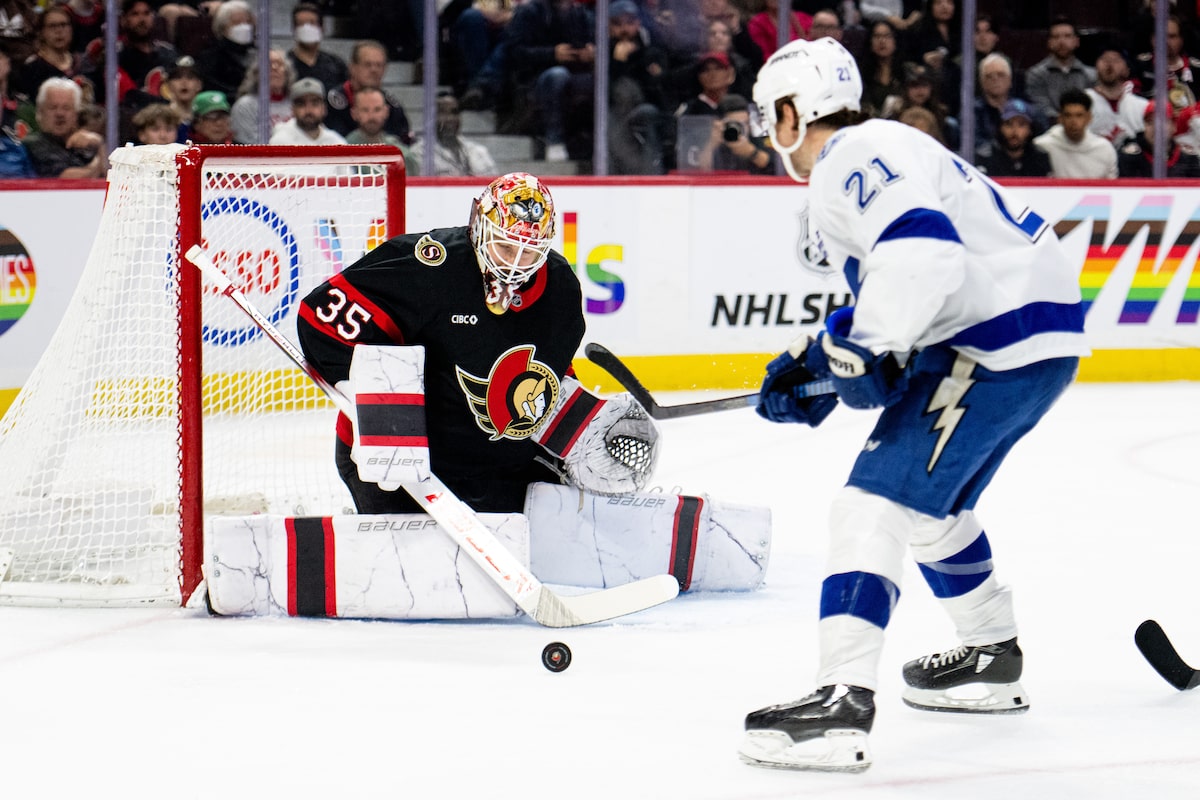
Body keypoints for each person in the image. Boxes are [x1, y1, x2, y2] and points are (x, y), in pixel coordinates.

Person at [740, 36, 1088, 772]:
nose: (772, 133)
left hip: (991, 344)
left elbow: (923, 252)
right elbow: (908, 287)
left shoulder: (848, 156)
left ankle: (841, 703)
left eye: (774, 115)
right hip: (1026, 339)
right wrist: (821, 363)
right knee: (929, 511)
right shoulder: (885, 149)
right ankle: (991, 656)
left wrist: (860, 349)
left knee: (869, 506)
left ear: (796, 112)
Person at [295, 172, 659, 515]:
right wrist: (373, 411)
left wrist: (582, 432)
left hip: (495, 463)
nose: (515, 264)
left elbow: (551, 371)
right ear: (480, 226)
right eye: (504, 247)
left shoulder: (560, 287)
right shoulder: (432, 265)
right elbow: (320, 316)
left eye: (528, 251)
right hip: (406, 465)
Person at [503, 0, 596, 162]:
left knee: (596, 82)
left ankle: (591, 144)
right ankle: (554, 141)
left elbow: (592, 42)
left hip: (576, 73)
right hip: (535, 79)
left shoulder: (581, 14)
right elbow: (515, 52)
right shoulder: (530, 12)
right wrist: (551, 54)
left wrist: (590, 52)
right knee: (557, 75)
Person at [606, 0, 668, 175]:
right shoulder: (604, 54)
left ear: (638, 23)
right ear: (609, 26)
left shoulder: (652, 50)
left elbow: (659, 89)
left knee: (647, 112)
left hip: (647, 109)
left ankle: (651, 175)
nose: (624, 29)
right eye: (618, 23)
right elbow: (604, 93)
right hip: (616, 113)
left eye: (629, 22)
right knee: (608, 119)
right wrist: (618, 62)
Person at [324, 40, 412, 145]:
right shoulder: (333, 103)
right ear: (352, 67)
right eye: (368, 65)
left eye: (379, 65)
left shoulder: (392, 107)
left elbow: (402, 144)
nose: (374, 70)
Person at [22, 77, 106, 178]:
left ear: (76, 113)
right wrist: (100, 157)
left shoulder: (89, 143)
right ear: (40, 112)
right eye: (53, 107)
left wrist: (99, 143)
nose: (60, 114)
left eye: (66, 108)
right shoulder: (32, 145)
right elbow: (66, 180)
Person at [1033, 88, 1118, 179]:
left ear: (1089, 118)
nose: (1074, 122)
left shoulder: (1105, 149)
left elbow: (1112, 188)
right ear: (1060, 118)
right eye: (1068, 115)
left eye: (1079, 115)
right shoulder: (1042, 146)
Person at [1024, 16, 1096, 123]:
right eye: (1056, 37)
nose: (1061, 41)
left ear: (1076, 41)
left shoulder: (1092, 75)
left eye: (1067, 36)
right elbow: (1040, 108)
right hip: (1049, 131)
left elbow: (1093, 107)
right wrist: (1068, 122)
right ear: (1049, 42)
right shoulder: (1035, 74)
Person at [13, 4, 88, 99]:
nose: (59, 31)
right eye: (52, 26)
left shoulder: (81, 64)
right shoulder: (32, 69)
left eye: (63, 25)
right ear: (42, 32)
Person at [695, 92, 777, 172]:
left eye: (744, 123)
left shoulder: (755, 141)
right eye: (734, 123)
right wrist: (712, 142)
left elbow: (776, 167)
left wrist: (752, 153)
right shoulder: (712, 140)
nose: (739, 128)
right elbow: (700, 169)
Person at [1133, 15, 1200, 113]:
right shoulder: (1140, 66)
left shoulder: (1197, 68)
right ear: (1152, 39)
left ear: (1181, 40)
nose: (1166, 41)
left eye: (1172, 36)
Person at [1118, 100, 1200, 177]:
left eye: (1162, 121)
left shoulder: (1189, 158)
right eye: (1150, 122)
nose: (1156, 128)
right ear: (1144, 127)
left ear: (1174, 126)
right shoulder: (1130, 158)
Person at [421, 92, 495, 176]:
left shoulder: (479, 152)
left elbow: (495, 185)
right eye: (442, 112)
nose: (450, 119)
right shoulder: (421, 152)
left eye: (454, 112)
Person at [230, 48, 295, 144]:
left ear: (287, 73)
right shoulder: (245, 106)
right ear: (256, 73)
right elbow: (250, 144)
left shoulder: (297, 103)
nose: (274, 67)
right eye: (268, 64)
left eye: (280, 64)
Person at [194, 0, 256, 100]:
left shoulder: (261, 54)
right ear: (223, 28)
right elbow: (213, 88)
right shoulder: (210, 57)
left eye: (247, 22)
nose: (244, 27)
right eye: (237, 23)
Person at [974, 98, 1052, 177]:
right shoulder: (984, 157)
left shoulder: (1040, 158)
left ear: (1030, 129)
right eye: (1008, 124)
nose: (1014, 131)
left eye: (1021, 125)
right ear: (999, 127)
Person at [286, 2, 348, 94]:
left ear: (322, 28)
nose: (306, 28)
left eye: (312, 23)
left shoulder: (336, 65)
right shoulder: (286, 64)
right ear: (294, 29)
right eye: (301, 24)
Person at [268, 77, 346, 145]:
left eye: (315, 103)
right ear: (293, 110)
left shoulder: (337, 142)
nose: (309, 110)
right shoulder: (279, 142)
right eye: (301, 104)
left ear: (324, 108)